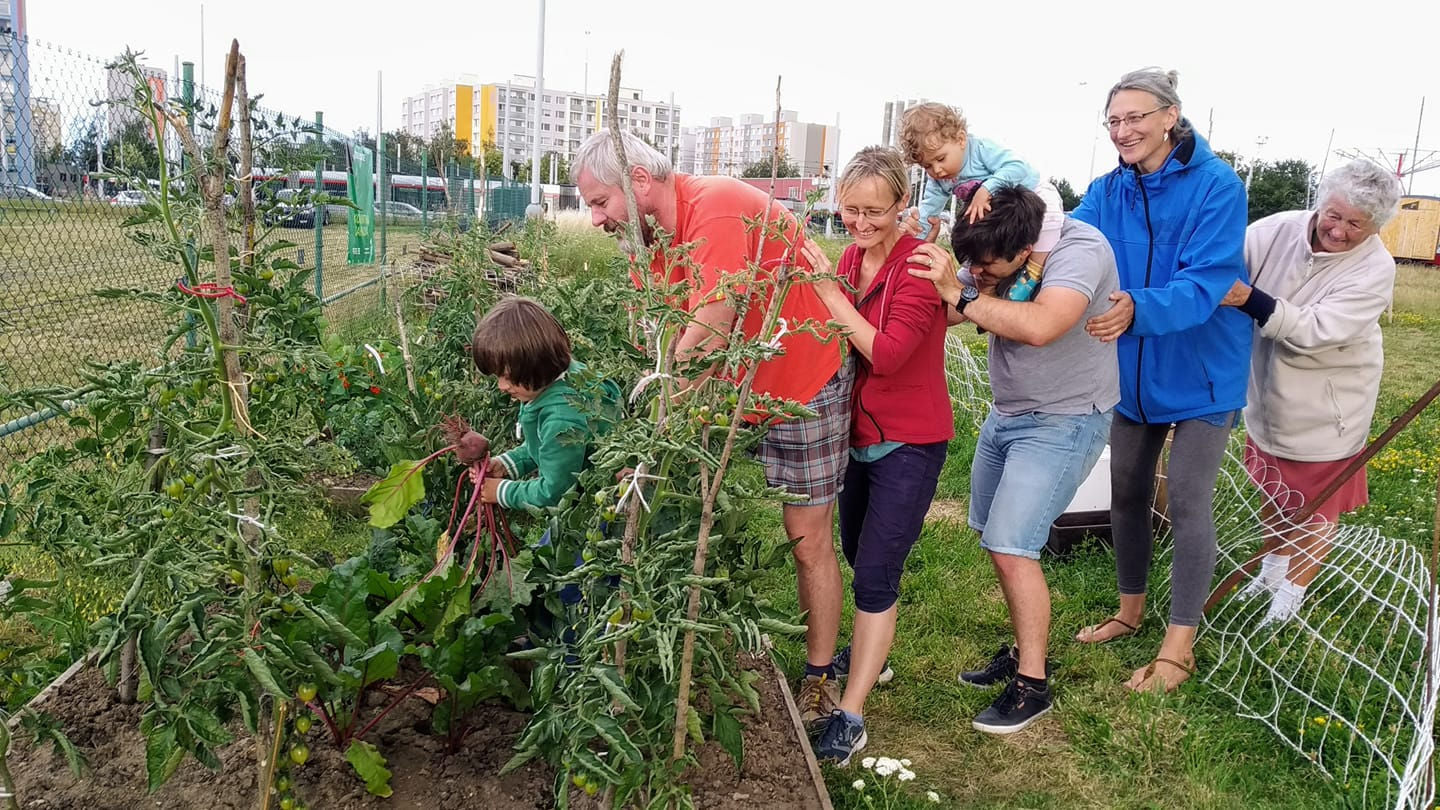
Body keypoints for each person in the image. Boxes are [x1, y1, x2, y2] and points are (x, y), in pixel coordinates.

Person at [571, 130, 853, 719]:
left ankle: (820, 676)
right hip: (729, 394)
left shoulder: (716, 208)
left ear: (639, 181)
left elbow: (706, 337)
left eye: (600, 202)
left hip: (802, 384)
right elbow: (662, 342)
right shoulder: (650, 242)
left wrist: (650, 444)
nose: (595, 219)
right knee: (694, 517)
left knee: (807, 538)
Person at [909, 185, 1119, 733]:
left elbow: (1041, 326)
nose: (978, 274)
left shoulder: (1080, 251)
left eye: (988, 267)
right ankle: (1025, 648)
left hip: (1065, 418)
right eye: (973, 264)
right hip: (1008, 412)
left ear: (1027, 249)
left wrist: (960, 294)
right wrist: (928, 260)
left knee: (1011, 545)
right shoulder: (994, 246)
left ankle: (1033, 685)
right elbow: (953, 312)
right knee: (994, 537)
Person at [1070, 68, 1252, 692]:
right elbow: (1068, 241)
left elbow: (1207, 281)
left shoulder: (1218, 186)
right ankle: (1130, 611)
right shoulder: (1106, 190)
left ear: (1170, 116)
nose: (1123, 131)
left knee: (1190, 499)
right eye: (1113, 121)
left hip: (1203, 370)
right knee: (1126, 490)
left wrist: (1137, 309)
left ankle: (1179, 646)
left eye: (1135, 118)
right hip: (1131, 371)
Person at [795, 147, 951, 763]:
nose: (859, 223)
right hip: (857, 435)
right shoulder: (852, 259)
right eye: (850, 209)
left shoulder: (918, 268)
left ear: (901, 205)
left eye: (875, 212)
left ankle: (852, 714)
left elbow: (886, 354)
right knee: (859, 553)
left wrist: (830, 298)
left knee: (876, 575)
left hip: (910, 440)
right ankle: (872, 658)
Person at [1224, 160, 1403, 625]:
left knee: (1315, 506)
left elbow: (1316, 330)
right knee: (1272, 489)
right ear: (1320, 203)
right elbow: (1225, 262)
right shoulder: (1275, 231)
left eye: (1355, 225)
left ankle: (1291, 597)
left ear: (1376, 227)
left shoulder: (1375, 269)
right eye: (1334, 215)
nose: (1338, 231)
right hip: (1267, 394)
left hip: (1328, 406)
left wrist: (1249, 299)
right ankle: (1270, 573)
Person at [465, 296, 622, 513]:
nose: (501, 386)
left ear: (537, 365)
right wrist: (507, 464)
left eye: (508, 376)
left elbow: (556, 493)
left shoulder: (562, 418)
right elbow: (546, 447)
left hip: (598, 506)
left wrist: (502, 492)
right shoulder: (559, 379)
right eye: (497, 376)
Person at [898, 102, 1065, 275]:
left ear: (961, 139)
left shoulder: (980, 150)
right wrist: (914, 238)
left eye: (941, 159)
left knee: (1048, 221)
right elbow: (929, 211)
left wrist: (986, 190)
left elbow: (1018, 166)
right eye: (927, 166)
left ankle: (1034, 272)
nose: (937, 170)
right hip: (1007, 212)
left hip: (1033, 192)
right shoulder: (939, 180)